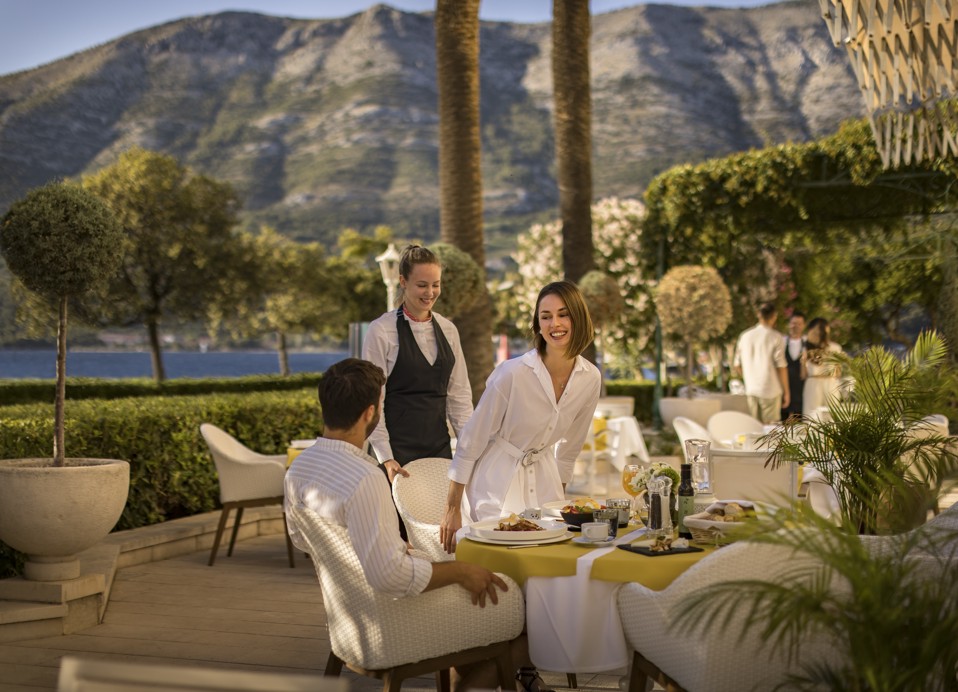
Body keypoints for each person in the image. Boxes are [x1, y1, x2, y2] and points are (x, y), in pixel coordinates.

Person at [284, 358, 536, 692]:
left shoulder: (299, 470)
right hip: (391, 623)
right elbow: (390, 576)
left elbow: (305, 539)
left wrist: (383, 545)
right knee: (524, 613)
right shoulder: (365, 479)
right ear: (370, 414)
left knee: (479, 618)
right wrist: (461, 572)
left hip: (354, 617)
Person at [440, 280, 601, 554]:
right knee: (505, 559)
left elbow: (569, 450)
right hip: (496, 483)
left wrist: (558, 503)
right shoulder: (511, 374)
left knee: (549, 557)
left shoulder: (590, 378)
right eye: (545, 316)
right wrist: (452, 508)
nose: (555, 324)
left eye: (564, 314)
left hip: (545, 481)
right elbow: (471, 441)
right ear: (538, 325)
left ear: (578, 318)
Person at [362, 244, 473, 538]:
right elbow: (373, 401)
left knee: (441, 532)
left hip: (438, 447)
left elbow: (459, 398)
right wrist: (385, 456)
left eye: (435, 285)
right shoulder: (381, 330)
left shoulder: (449, 330)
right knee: (399, 538)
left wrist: (470, 448)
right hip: (397, 451)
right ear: (403, 281)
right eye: (422, 285)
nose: (430, 292)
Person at [732, 302, 790, 424]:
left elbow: (736, 365)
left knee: (755, 429)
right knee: (770, 432)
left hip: (752, 389)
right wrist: (787, 392)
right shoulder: (775, 337)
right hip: (771, 389)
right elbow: (781, 367)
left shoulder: (745, 336)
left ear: (759, 315)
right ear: (774, 316)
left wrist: (749, 377)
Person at [801, 317, 843, 417]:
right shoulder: (835, 348)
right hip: (824, 383)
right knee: (822, 418)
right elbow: (838, 373)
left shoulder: (835, 348)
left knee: (818, 418)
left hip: (820, 383)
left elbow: (803, 375)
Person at [781, 310, 806, 421]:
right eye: (793, 323)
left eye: (799, 324)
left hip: (801, 389)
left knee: (800, 422)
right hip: (784, 386)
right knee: (782, 422)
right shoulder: (781, 342)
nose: (796, 326)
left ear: (803, 325)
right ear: (789, 324)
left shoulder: (807, 343)